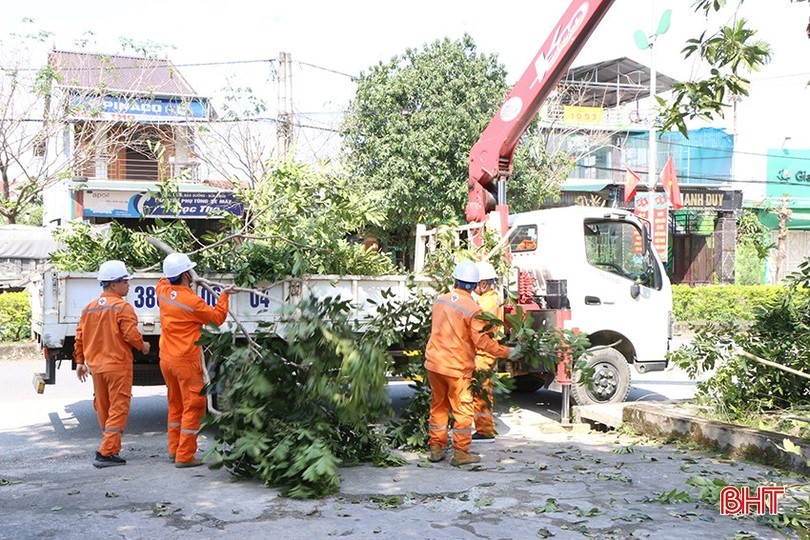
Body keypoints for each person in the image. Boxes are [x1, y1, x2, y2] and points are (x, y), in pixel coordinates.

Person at [424, 259, 512, 467]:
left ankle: (436, 448)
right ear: (474, 285)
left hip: (434, 364)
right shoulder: (473, 309)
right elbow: (481, 342)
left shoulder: (440, 301)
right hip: (457, 368)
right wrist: (507, 352)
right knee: (462, 409)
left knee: (438, 406)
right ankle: (461, 453)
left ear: (455, 280)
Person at [157, 252, 234, 468]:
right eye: (189, 272)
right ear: (184, 275)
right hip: (185, 360)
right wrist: (225, 295)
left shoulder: (162, 291)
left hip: (166, 358)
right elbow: (217, 318)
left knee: (175, 404)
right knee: (194, 405)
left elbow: (163, 279)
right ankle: (185, 456)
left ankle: (174, 449)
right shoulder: (192, 301)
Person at [74, 260, 150, 468]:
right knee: (118, 408)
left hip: (96, 367)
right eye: (125, 281)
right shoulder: (122, 307)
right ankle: (106, 452)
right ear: (114, 284)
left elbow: (79, 337)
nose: (128, 285)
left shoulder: (88, 309)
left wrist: (80, 361)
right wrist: (143, 346)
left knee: (104, 408)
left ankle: (110, 446)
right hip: (117, 366)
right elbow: (130, 334)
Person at [472, 261, 504, 442]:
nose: (474, 287)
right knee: (481, 390)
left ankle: (485, 431)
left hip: (484, 352)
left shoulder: (488, 301)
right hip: (486, 349)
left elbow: (475, 323)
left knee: (481, 391)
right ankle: (484, 428)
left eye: (475, 284)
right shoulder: (492, 298)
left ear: (483, 283)